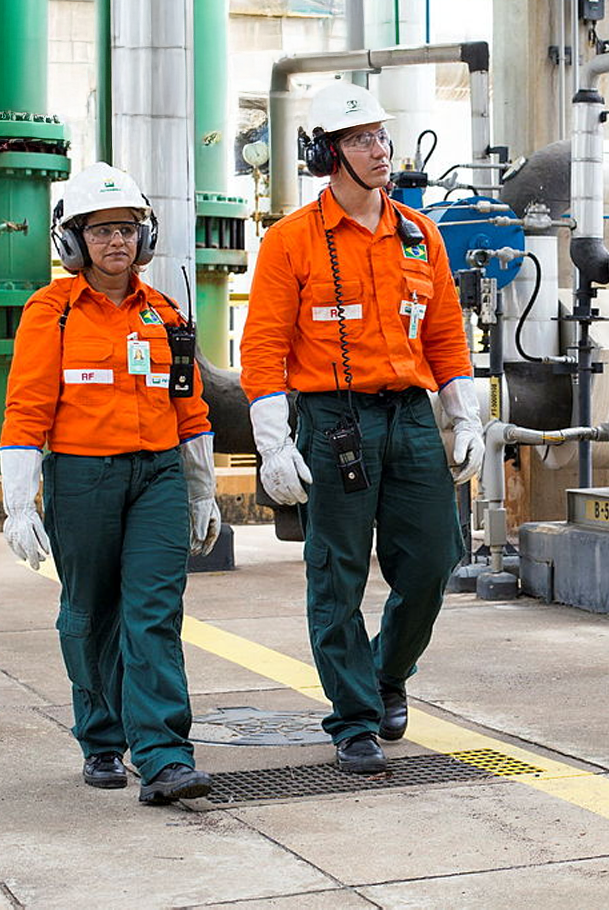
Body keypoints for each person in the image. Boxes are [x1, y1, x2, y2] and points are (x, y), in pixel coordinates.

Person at [240, 82, 482, 774]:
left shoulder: (418, 233)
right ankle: (353, 719)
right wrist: (274, 442)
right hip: (332, 417)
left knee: (436, 559)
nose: (379, 150)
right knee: (336, 576)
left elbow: (444, 334)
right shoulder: (291, 243)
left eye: (380, 135)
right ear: (326, 153)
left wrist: (463, 414)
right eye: (360, 139)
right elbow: (262, 348)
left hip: (408, 415)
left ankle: (385, 675)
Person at [0, 162, 220, 805]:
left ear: (143, 237)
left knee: (154, 613)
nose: (116, 242)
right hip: (81, 477)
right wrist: (20, 501)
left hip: (156, 478)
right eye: (100, 231)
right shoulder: (53, 312)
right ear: (73, 242)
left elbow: (191, 406)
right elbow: (27, 407)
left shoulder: (165, 313)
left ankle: (163, 755)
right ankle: (100, 737)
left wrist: (201, 489)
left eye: (126, 228)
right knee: (89, 612)